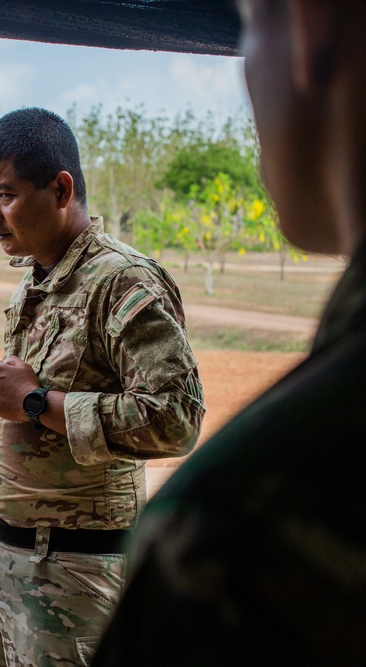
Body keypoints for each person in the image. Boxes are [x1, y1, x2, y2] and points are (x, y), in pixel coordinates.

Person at [91, 1, 366, 664]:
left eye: (246, 28)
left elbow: (171, 417)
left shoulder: (241, 532)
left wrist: (44, 406)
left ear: (312, 25)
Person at [0, 107, 206, 666]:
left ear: (61, 188)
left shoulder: (121, 281)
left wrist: (36, 402)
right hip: (10, 555)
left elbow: (174, 419)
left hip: (72, 571)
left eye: (5, 194)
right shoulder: (39, 278)